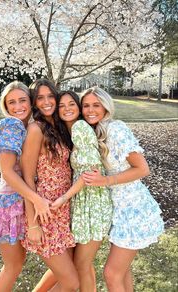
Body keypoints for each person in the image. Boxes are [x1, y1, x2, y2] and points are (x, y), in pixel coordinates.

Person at [80, 87, 164, 292]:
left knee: (111, 273)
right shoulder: (94, 131)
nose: (90, 110)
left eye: (96, 105)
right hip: (117, 209)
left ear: (106, 107)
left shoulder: (115, 129)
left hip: (133, 207)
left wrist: (105, 181)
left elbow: (142, 168)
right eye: (86, 105)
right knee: (122, 271)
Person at [34, 90, 112, 292]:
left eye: (72, 104)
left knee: (81, 265)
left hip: (92, 203)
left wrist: (64, 197)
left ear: (78, 108)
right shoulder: (66, 132)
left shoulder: (79, 127)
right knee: (80, 265)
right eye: (62, 105)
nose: (67, 109)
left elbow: (91, 171)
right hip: (81, 202)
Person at [0, 81, 51, 292]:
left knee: (18, 264)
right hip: (8, 206)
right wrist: (36, 199)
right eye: (12, 102)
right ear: (5, 105)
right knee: (13, 266)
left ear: (31, 102)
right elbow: (7, 172)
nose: (18, 106)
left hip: (23, 201)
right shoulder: (12, 125)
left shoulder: (30, 126)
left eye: (22, 100)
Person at [21, 79, 79, 291]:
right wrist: (32, 224)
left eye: (50, 96)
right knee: (71, 282)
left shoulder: (60, 126)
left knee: (62, 274)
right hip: (44, 212)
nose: (46, 102)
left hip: (63, 209)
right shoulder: (36, 129)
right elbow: (27, 178)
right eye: (40, 98)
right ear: (35, 103)